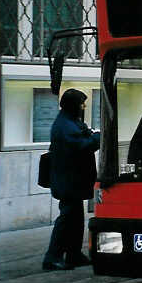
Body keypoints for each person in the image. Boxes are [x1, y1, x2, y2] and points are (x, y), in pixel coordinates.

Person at [43, 89, 100, 271]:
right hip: (68, 181)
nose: (84, 106)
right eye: (81, 103)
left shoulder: (70, 121)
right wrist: (97, 137)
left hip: (74, 180)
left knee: (75, 218)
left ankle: (74, 254)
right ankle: (52, 257)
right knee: (66, 218)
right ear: (73, 105)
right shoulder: (64, 125)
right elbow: (82, 146)